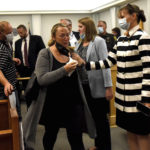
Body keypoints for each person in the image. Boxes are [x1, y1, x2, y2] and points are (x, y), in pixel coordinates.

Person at [84, 4, 150, 150]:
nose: (120, 20)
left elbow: (148, 70)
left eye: (122, 16)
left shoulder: (143, 37)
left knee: (142, 134)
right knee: (130, 132)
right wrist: (86, 65)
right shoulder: (120, 39)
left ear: (134, 16)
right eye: (119, 17)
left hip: (138, 97)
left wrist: (146, 99)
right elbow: (108, 61)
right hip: (122, 97)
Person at [23, 23, 96, 150]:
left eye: (68, 35)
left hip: (73, 103)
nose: (66, 38)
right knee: (51, 135)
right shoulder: (45, 53)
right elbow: (42, 79)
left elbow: (84, 78)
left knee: (76, 137)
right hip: (53, 104)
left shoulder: (71, 52)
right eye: (62, 35)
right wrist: (64, 70)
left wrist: (81, 64)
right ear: (53, 37)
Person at [72, 17, 113, 150]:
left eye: (80, 27)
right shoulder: (79, 42)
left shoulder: (98, 41)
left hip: (97, 85)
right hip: (83, 86)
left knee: (101, 118)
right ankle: (98, 144)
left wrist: (108, 87)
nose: (78, 29)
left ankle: (105, 146)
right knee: (92, 118)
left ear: (88, 27)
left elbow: (105, 65)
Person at [15, 24, 45, 107]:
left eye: (21, 32)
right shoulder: (17, 43)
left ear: (26, 31)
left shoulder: (37, 39)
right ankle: (29, 111)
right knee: (27, 93)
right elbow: (17, 57)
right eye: (18, 33)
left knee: (37, 92)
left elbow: (43, 53)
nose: (20, 35)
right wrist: (17, 70)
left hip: (35, 70)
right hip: (24, 72)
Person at [0, 21, 21, 120]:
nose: (12, 35)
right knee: (13, 117)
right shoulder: (1, 48)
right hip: (6, 90)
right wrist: (6, 83)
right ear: (1, 33)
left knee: (16, 114)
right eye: (9, 33)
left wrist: (11, 60)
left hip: (12, 85)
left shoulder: (6, 43)